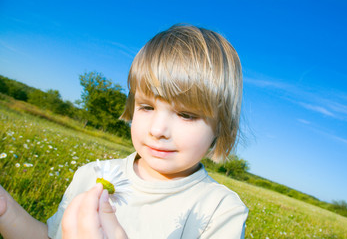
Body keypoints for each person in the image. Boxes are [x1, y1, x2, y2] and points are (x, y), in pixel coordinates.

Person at [0, 23, 248, 239]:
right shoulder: (92, 177)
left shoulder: (221, 210)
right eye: (147, 107)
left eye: (186, 114)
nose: (157, 129)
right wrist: (5, 211)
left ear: (221, 127)